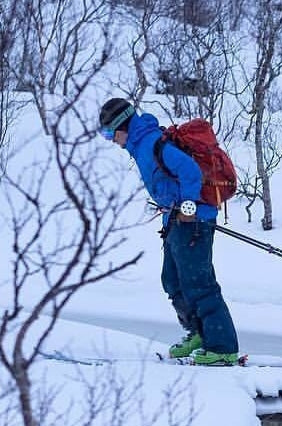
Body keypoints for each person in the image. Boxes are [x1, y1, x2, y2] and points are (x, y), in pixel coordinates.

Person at [98, 98, 240, 366]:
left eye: (108, 134)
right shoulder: (140, 145)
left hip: (194, 220)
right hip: (175, 221)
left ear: (121, 127)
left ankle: (223, 347)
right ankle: (198, 333)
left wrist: (187, 203)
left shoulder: (152, 143)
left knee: (198, 282)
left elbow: (189, 171)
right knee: (172, 280)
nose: (109, 140)